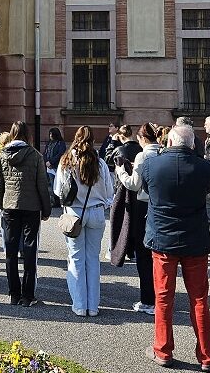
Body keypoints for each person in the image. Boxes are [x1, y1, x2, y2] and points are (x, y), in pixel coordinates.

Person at [138, 124, 210, 371]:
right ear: (193, 144)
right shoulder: (204, 168)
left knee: (163, 298)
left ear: (169, 142)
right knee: (199, 300)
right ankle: (207, 357)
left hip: (162, 241)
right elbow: (206, 192)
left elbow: (146, 190)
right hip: (194, 241)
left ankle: (163, 351)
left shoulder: (151, 165)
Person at [53, 125, 114, 317]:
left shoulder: (66, 161)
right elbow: (109, 192)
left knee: (76, 259)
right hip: (95, 212)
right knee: (93, 260)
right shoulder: (100, 163)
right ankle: (93, 306)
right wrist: (102, 204)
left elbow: (58, 190)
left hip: (74, 214)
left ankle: (79, 305)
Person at [0, 120, 51, 306]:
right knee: (29, 251)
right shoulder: (35, 155)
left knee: (10, 252)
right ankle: (27, 295)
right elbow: (42, 185)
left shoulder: (3, 154)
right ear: (28, 135)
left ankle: (13, 293)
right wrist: (46, 209)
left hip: (9, 207)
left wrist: (0, 205)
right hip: (31, 207)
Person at [111, 124, 155, 314]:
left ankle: (148, 300)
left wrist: (121, 170)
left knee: (143, 255)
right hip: (158, 206)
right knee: (157, 256)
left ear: (143, 138)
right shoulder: (162, 153)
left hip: (142, 206)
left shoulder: (143, 156)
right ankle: (160, 298)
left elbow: (133, 184)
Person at [107, 124, 142, 264]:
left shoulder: (119, 148)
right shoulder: (140, 149)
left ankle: (120, 248)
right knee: (135, 219)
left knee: (121, 219)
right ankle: (133, 250)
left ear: (121, 136)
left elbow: (108, 159)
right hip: (138, 188)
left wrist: (113, 142)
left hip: (122, 187)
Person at [42, 127, 66, 207]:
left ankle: (58, 201)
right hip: (49, 167)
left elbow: (60, 154)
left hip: (56, 166)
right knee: (51, 185)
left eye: (51, 134)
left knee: (57, 184)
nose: (50, 136)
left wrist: (51, 161)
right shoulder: (49, 143)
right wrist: (46, 161)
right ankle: (53, 200)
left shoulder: (60, 143)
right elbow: (45, 153)